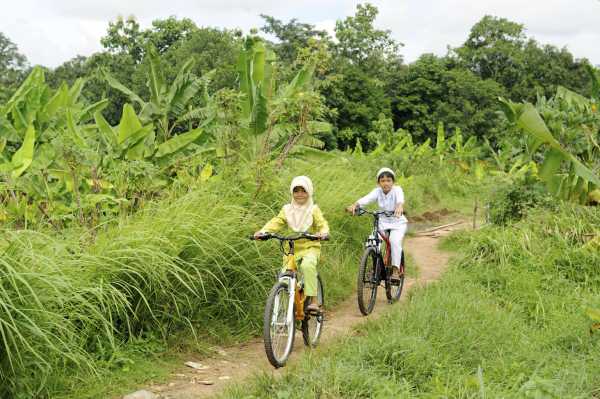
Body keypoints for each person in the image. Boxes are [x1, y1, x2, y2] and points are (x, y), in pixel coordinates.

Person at [254, 176, 329, 312]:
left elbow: (322, 224)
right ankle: (284, 309)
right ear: (292, 192)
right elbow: (276, 221)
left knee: (307, 266)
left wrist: (322, 233)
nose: (300, 194)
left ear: (309, 192)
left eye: (303, 191)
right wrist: (264, 231)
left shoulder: (313, 209)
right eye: (296, 191)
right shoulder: (287, 209)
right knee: (284, 278)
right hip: (292, 249)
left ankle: (313, 300)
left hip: (310, 247)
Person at [346, 167, 407, 277]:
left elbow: (400, 199)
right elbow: (367, 199)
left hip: (397, 222)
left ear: (393, 182)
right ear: (378, 182)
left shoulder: (397, 190)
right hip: (382, 221)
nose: (386, 183)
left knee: (394, 241)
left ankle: (395, 268)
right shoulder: (377, 192)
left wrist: (399, 206)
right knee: (372, 241)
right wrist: (355, 205)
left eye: (389, 180)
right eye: (382, 181)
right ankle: (376, 267)